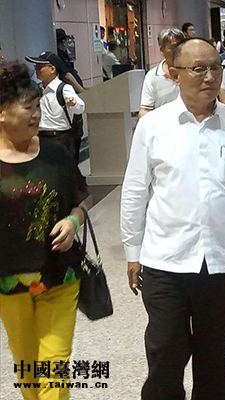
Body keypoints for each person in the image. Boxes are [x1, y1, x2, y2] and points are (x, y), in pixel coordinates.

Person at [120, 37, 225, 400]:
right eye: (198, 69)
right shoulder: (153, 125)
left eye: (215, 68)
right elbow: (135, 191)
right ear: (175, 75)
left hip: (221, 261)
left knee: (213, 356)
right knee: (165, 350)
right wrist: (132, 251)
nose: (209, 76)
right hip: (164, 260)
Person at [0, 60, 88, 400]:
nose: (36, 115)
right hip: (9, 283)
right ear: (2, 113)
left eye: (38, 106)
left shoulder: (54, 153)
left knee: (54, 367)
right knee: (27, 368)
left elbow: (80, 202)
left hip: (59, 277)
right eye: (28, 108)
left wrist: (73, 221)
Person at [26, 52, 85, 160]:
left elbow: (81, 107)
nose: (37, 70)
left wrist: (73, 103)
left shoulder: (64, 88)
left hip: (61, 137)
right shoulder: (37, 89)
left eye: (40, 67)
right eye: (36, 67)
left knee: (63, 167)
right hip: (41, 137)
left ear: (52, 69)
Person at [138, 28, 185, 119]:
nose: (177, 51)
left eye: (180, 47)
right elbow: (144, 110)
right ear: (162, 50)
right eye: (172, 48)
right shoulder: (152, 76)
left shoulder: (192, 71)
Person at [55, 28, 85, 93]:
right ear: (63, 42)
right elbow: (67, 77)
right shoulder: (59, 56)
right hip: (71, 92)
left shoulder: (64, 54)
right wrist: (82, 91)